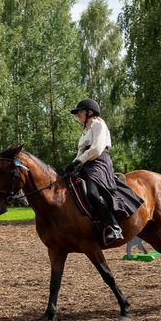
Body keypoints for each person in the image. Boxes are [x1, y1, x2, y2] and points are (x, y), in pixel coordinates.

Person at [63, 98, 138, 244]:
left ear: (89, 112)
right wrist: (72, 165)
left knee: (92, 192)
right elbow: (81, 152)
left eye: (79, 112)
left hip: (99, 163)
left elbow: (96, 149)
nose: (78, 116)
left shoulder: (99, 124)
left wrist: (79, 161)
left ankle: (114, 226)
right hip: (86, 164)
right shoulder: (85, 131)